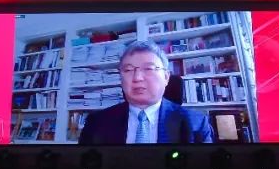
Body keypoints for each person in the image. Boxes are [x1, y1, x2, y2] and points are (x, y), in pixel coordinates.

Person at [78, 39, 215, 144]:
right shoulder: (96, 122)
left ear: (166, 77)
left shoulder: (196, 123)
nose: (137, 77)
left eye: (148, 69)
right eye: (128, 70)